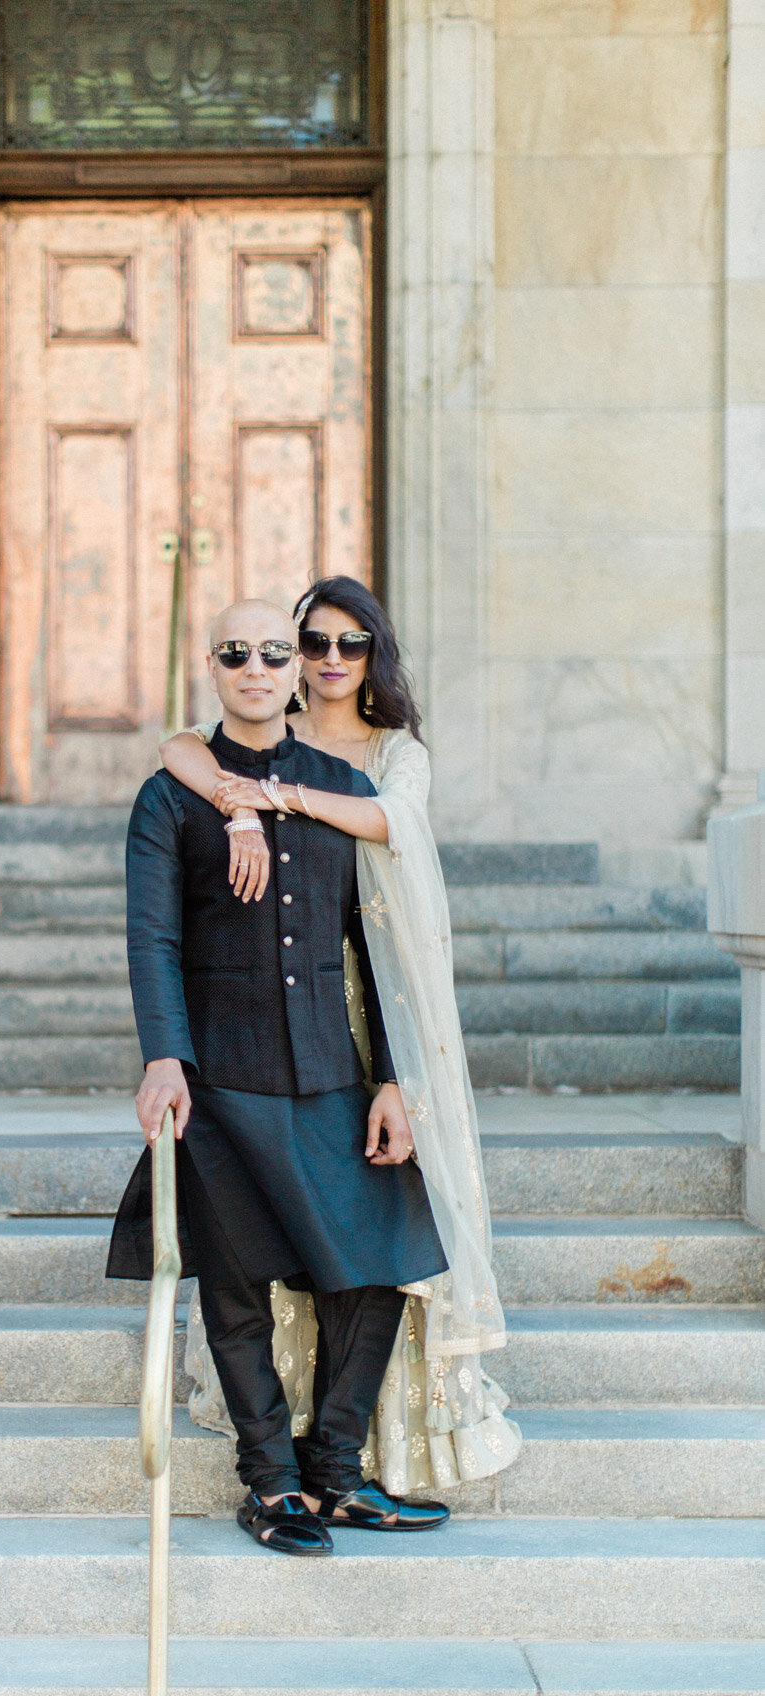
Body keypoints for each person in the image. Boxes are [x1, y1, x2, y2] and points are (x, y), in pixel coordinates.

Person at [159, 575, 522, 1505]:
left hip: (370, 1001)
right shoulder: (253, 734)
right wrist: (238, 802)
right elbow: (180, 754)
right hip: (263, 1020)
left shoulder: (384, 757)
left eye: (345, 645)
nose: (322, 661)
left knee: (381, 1233)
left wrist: (273, 796)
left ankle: (358, 1456)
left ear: (373, 655)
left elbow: (384, 823)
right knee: (265, 1249)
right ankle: (284, 1469)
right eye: (305, 642)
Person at [106, 596, 454, 1557]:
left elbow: (368, 944)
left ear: (293, 668)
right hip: (223, 1073)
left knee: (380, 1263)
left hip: (333, 1071)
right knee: (234, 1286)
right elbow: (153, 936)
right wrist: (164, 1057)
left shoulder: (335, 782)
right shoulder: (168, 797)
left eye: (272, 652)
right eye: (236, 653)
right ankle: (269, 1484)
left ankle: (335, 1473)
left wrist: (390, 1077)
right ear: (211, 668)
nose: (256, 669)